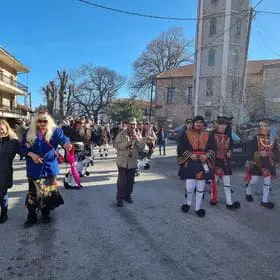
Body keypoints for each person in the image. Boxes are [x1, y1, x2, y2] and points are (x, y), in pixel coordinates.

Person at [21, 110, 72, 227]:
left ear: (49, 121)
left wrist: (66, 145)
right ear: (36, 121)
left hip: (49, 167)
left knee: (48, 192)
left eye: (45, 121)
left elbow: (64, 140)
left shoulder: (55, 131)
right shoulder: (28, 132)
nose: (42, 123)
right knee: (34, 193)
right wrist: (32, 155)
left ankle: (45, 213)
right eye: (40, 121)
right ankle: (32, 216)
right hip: (34, 167)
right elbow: (23, 148)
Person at [177, 116, 215, 218]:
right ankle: (188, 203)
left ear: (203, 124)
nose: (199, 124)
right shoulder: (186, 134)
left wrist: (206, 155)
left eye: (201, 122)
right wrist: (190, 155)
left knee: (200, 187)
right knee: (189, 187)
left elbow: (213, 148)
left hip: (203, 163)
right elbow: (180, 148)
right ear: (193, 123)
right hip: (190, 163)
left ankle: (198, 208)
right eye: (197, 122)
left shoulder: (208, 135)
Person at [244, 119, 280, 209]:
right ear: (260, 127)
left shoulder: (272, 137)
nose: (267, 128)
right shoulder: (256, 137)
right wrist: (259, 153)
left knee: (267, 181)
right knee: (254, 180)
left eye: (268, 126)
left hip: (268, 162)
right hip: (258, 162)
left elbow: (276, 150)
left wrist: (278, 161)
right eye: (264, 126)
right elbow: (250, 151)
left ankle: (265, 201)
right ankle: (248, 190)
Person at [210, 116, 240, 209]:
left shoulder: (229, 134)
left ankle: (229, 202)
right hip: (215, 161)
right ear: (217, 124)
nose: (222, 126)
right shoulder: (212, 134)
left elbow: (231, 146)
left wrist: (230, 152)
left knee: (227, 183)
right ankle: (213, 199)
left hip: (225, 161)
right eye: (221, 124)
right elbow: (208, 147)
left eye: (224, 124)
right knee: (214, 182)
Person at [114, 117, 145, 207]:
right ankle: (120, 198)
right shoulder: (121, 134)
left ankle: (128, 195)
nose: (132, 126)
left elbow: (142, 147)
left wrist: (138, 139)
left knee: (130, 181)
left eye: (134, 124)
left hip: (132, 161)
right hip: (122, 161)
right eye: (131, 124)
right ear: (127, 125)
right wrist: (127, 143)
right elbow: (117, 146)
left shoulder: (138, 134)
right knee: (122, 181)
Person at [0, 120, 20, 224]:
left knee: (2, 194)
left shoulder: (13, 142)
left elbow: (23, 151)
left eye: (2, 129)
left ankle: (4, 214)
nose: (0, 131)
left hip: (5, 173)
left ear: (7, 129)